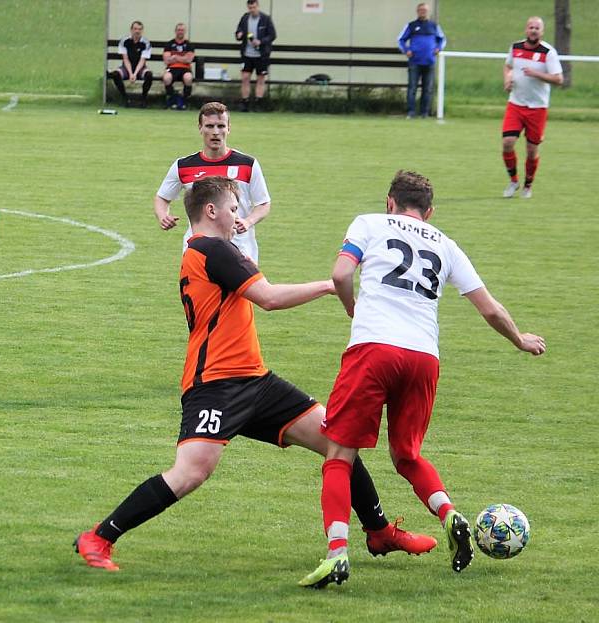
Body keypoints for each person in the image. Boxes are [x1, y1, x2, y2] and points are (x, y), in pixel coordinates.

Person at [75, 176, 437, 573]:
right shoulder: (213, 249)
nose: (238, 216)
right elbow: (268, 298)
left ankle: (379, 531)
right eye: (233, 209)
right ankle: (100, 537)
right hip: (216, 385)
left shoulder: (209, 250)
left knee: (339, 439)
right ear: (211, 211)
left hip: (256, 380)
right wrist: (330, 287)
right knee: (191, 472)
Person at [299, 170, 546, 589]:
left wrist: (351, 307)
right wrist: (520, 339)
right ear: (428, 212)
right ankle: (450, 513)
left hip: (374, 350)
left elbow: (341, 275)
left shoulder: (370, 222)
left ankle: (337, 555)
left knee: (339, 454)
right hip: (423, 357)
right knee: (406, 455)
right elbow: (490, 309)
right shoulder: (445, 244)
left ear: (390, 202)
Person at [154, 101, 269, 264]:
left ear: (229, 128)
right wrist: (162, 216)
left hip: (240, 250)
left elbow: (263, 203)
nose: (215, 132)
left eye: (221, 126)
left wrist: (248, 221)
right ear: (200, 128)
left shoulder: (247, 164)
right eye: (209, 126)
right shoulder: (184, 166)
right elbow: (162, 197)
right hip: (197, 251)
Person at [501, 16, 563, 199]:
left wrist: (536, 73)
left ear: (541, 32)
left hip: (537, 108)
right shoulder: (516, 47)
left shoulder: (548, 52)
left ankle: (528, 185)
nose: (533, 30)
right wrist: (507, 79)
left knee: (531, 150)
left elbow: (559, 79)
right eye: (531, 27)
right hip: (516, 104)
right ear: (526, 30)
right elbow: (508, 66)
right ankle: (513, 181)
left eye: (537, 28)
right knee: (507, 143)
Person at [397, 3, 446, 119]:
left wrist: (438, 48)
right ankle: (411, 112)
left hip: (429, 62)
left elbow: (442, 39)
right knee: (412, 88)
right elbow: (400, 40)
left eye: (425, 10)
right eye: (421, 10)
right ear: (417, 11)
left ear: (427, 12)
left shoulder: (434, 26)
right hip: (415, 61)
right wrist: (406, 50)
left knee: (428, 89)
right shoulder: (411, 26)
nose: (423, 12)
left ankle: (424, 113)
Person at [234, 0, 277, 112]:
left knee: (260, 79)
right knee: (245, 78)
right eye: (250, 8)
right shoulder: (245, 18)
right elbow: (238, 31)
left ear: (257, 6)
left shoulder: (265, 19)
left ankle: (258, 103)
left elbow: (272, 35)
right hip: (247, 54)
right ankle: (245, 103)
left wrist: (261, 41)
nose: (252, 10)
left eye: (253, 7)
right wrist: (239, 34)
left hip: (261, 55)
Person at [109, 21, 153, 108]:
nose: (137, 31)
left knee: (149, 75)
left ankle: (143, 99)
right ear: (131, 30)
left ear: (142, 31)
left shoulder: (146, 43)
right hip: (126, 67)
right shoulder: (124, 41)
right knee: (115, 74)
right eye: (135, 29)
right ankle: (125, 98)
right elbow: (125, 59)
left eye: (139, 29)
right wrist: (130, 73)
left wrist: (135, 74)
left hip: (140, 68)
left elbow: (142, 60)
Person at [162, 22, 195, 111]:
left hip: (185, 68)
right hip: (172, 68)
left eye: (182, 30)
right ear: (175, 31)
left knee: (188, 78)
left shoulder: (189, 45)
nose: (180, 32)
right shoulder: (169, 44)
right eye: (179, 30)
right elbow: (166, 60)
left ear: (185, 32)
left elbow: (189, 60)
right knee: (166, 78)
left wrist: (175, 57)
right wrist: (183, 58)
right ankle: (173, 99)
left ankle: (184, 100)